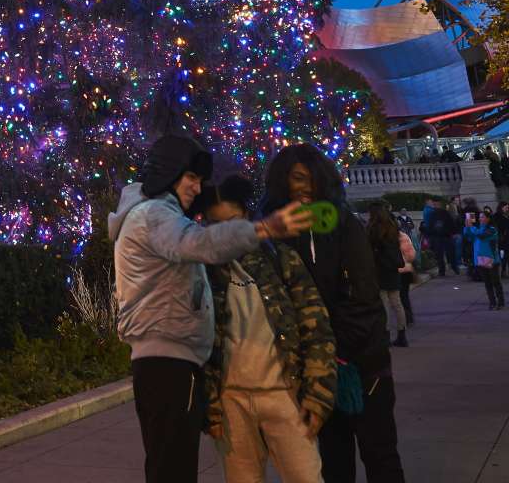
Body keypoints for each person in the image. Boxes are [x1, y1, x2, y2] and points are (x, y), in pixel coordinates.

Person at [107, 134, 314, 483]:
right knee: (173, 469)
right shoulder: (155, 213)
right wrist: (263, 228)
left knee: (168, 465)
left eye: (199, 180)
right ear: (170, 173)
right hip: (168, 363)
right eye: (191, 177)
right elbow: (199, 243)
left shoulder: (149, 214)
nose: (196, 186)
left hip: (166, 362)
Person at [263, 145, 406, 483]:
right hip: (314, 370)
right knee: (333, 459)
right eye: (298, 179)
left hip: (362, 364)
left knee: (380, 453)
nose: (305, 187)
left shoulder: (344, 225)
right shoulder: (274, 235)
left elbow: (363, 298)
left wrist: (332, 349)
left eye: (312, 179)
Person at [201, 175, 336, 483]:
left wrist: (318, 394)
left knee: (305, 476)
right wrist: (210, 406)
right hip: (231, 401)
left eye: (233, 222)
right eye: (215, 226)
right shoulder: (204, 270)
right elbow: (198, 343)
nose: (226, 234)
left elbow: (316, 326)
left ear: (247, 217)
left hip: (284, 395)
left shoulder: (279, 258)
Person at [366, 204, 408, 347]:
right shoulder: (392, 227)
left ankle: (386, 334)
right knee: (396, 303)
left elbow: (369, 248)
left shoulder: (374, 229)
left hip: (380, 269)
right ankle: (402, 334)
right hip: (392, 268)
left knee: (384, 304)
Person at [464, 210, 505, 310]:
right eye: (480, 217)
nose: (480, 219)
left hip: (492, 260)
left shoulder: (492, 229)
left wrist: (471, 227)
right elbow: (468, 236)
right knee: (487, 283)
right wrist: (467, 227)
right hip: (481, 260)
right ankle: (492, 302)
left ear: (488, 218)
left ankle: (501, 302)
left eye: (482, 217)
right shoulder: (478, 229)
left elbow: (482, 236)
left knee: (496, 282)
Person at [396, 220, 416, 326]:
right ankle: (408, 318)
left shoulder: (389, 238)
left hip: (397, 271)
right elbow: (412, 254)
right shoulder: (404, 237)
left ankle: (405, 319)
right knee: (404, 296)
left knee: (399, 297)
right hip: (406, 270)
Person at [494, 201, 509, 279]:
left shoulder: (504, 215)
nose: (507, 209)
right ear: (501, 207)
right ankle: (502, 271)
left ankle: (503, 271)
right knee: (503, 256)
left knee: (505, 256)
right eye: (506, 207)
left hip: (505, 239)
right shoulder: (498, 216)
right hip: (502, 240)